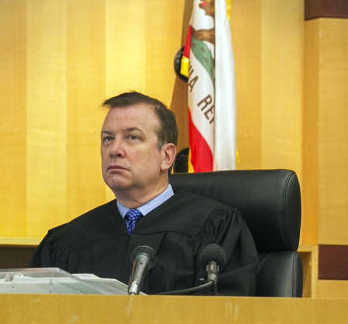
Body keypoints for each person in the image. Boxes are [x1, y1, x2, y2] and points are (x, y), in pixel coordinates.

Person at [30, 91, 257, 295]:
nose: (115, 150)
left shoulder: (216, 228)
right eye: (108, 139)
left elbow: (230, 319)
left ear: (166, 157)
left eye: (132, 137)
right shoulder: (66, 242)